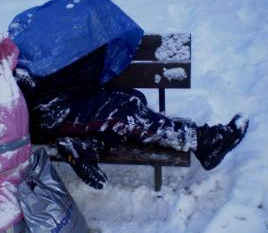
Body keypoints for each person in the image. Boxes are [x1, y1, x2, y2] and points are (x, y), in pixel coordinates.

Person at [13, 45, 249, 190]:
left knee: (133, 97)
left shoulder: (62, 50)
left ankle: (85, 146)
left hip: (63, 105)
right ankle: (201, 140)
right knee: (124, 110)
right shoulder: (20, 62)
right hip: (52, 116)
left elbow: (82, 82)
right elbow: (31, 97)